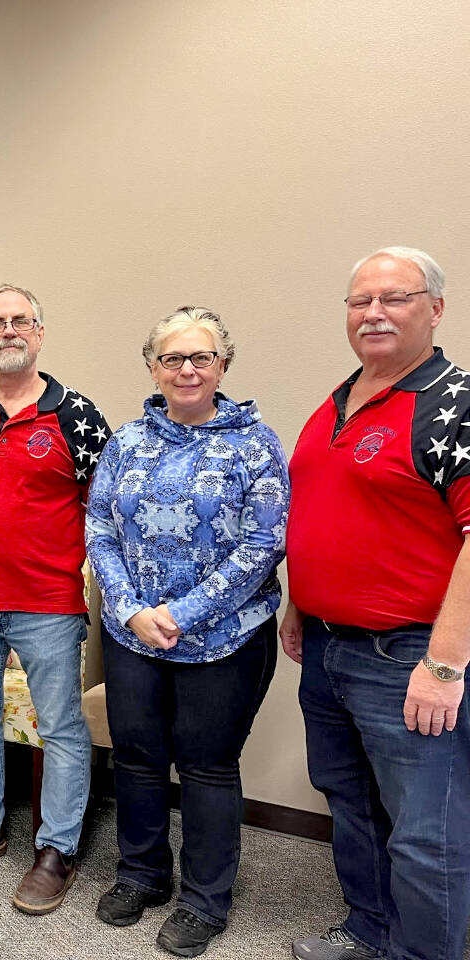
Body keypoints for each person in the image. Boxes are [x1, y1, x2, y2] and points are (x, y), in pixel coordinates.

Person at [281, 247, 470, 960]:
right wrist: (302, 601)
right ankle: (369, 932)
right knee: (352, 805)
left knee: (427, 833)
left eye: (395, 297)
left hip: (410, 658)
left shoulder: (454, 402)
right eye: (361, 301)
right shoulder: (339, 399)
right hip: (329, 648)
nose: (375, 313)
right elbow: (331, 511)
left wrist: (446, 664)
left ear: (436, 308)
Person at [85, 307, 288, 957]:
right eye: (173, 358)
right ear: (153, 367)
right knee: (138, 759)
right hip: (132, 633)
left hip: (226, 639)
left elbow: (263, 544)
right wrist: (129, 607)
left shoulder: (254, 443)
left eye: (200, 357)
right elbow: (99, 531)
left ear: (223, 364)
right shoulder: (127, 442)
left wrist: (185, 612)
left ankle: (204, 900)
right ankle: (141, 874)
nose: (187, 369)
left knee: (205, 767)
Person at [0, 283, 109, 915]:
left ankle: (56, 849)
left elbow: (106, 507)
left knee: (60, 728)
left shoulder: (77, 415)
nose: (8, 331)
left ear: (39, 333)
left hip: (48, 602)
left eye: (21, 321)